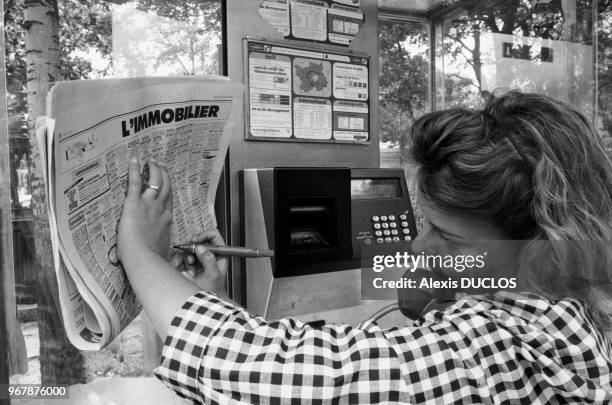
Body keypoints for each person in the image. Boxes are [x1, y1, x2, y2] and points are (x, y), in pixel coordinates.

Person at [117, 90, 612, 404]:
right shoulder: (566, 303)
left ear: (545, 248)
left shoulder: (518, 343)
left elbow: (288, 376)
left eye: (449, 237)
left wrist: (141, 250)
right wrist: (217, 304)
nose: (419, 247)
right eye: (424, 224)